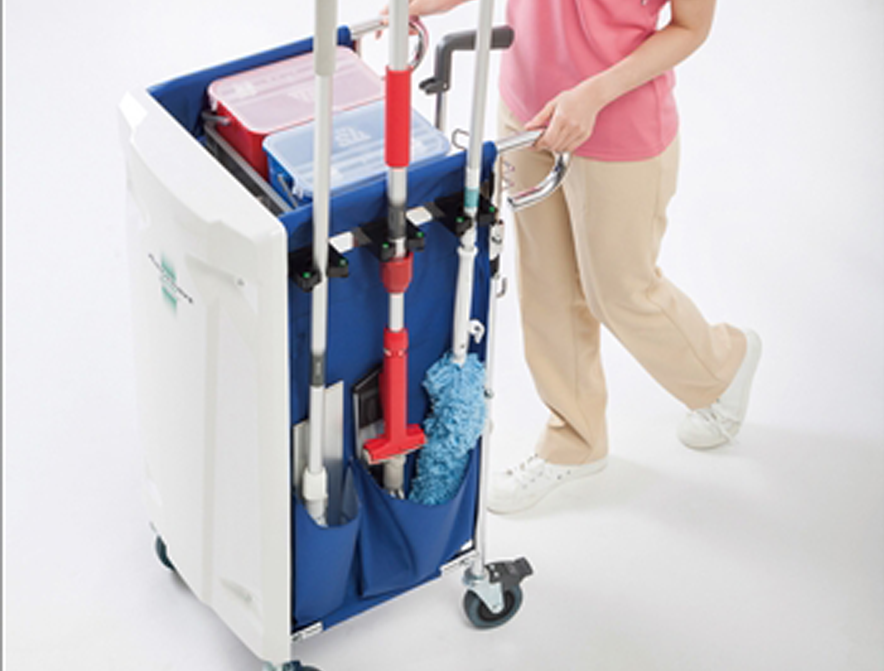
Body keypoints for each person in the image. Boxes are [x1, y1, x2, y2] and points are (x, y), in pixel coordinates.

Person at [386, 0, 762, 514]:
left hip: (617, 122)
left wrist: (594, 94)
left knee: (620, 293)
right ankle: (575, 440)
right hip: (527, 113)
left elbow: (691, 27)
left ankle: (723, 364)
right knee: (547, 287)